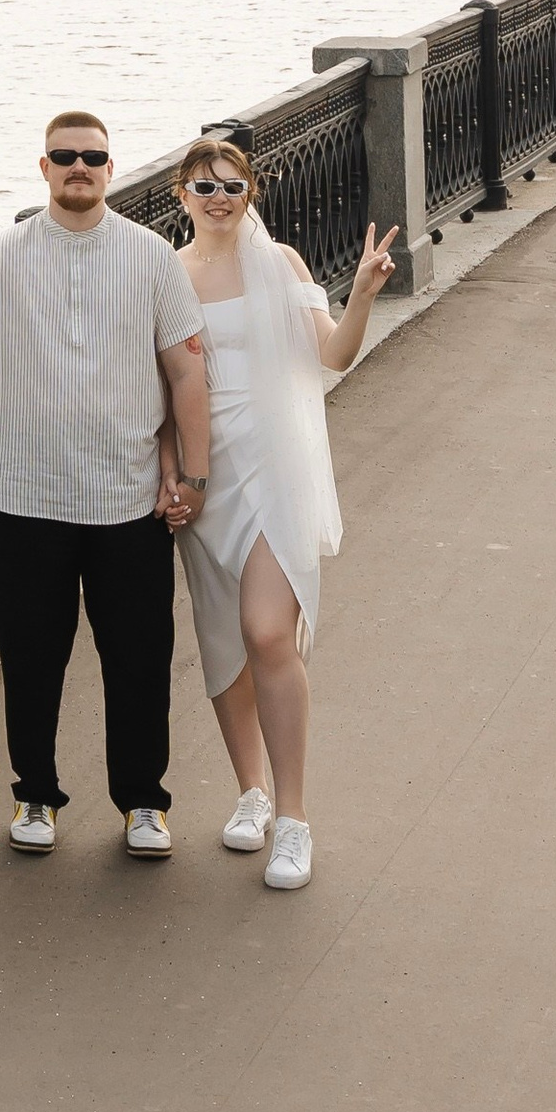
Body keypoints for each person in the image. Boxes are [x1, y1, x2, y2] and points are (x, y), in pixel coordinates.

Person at [0, 112, 211, 861]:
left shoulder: (151, 259)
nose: (80, 167)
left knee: (139, 659)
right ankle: (33, 795)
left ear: (111, 167)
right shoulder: (0, 256)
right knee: (32, 656)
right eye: (65, 157)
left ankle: (144, 803)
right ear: (42, 167)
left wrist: (194, 475)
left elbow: (187, 371)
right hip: (25, 495)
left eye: (93, 157)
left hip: (128, 495)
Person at [166, 136, 398, 894]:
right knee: (224, 637)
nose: (220, 198)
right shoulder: (167, 275)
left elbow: (332, 357)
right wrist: (174, 475)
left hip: (274, 467)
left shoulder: (284, 264)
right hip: (208, 473)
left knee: (268, 630)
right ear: (181, 195)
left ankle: (294, 820)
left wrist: (362, 290)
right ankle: (251, 793)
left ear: (252, 192)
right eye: (205, 187)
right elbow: (159, 387)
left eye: (233, 185)